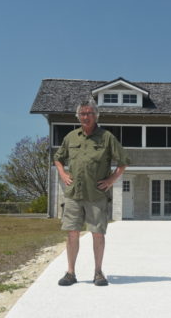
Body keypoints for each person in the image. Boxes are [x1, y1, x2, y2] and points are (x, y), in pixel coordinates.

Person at [54, 99, 130, 286]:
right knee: (72, 232)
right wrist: (63, 174)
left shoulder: (107, 138)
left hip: (96, 195)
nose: (85, 117)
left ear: (96, 115)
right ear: (78, 116)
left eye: (89, 113)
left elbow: (123, 162)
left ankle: (98, 272)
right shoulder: (71, 137)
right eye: (82, 114)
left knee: (97, 233)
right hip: (74, 194)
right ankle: (70, 273)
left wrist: (111, 180)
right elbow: (58, 158)